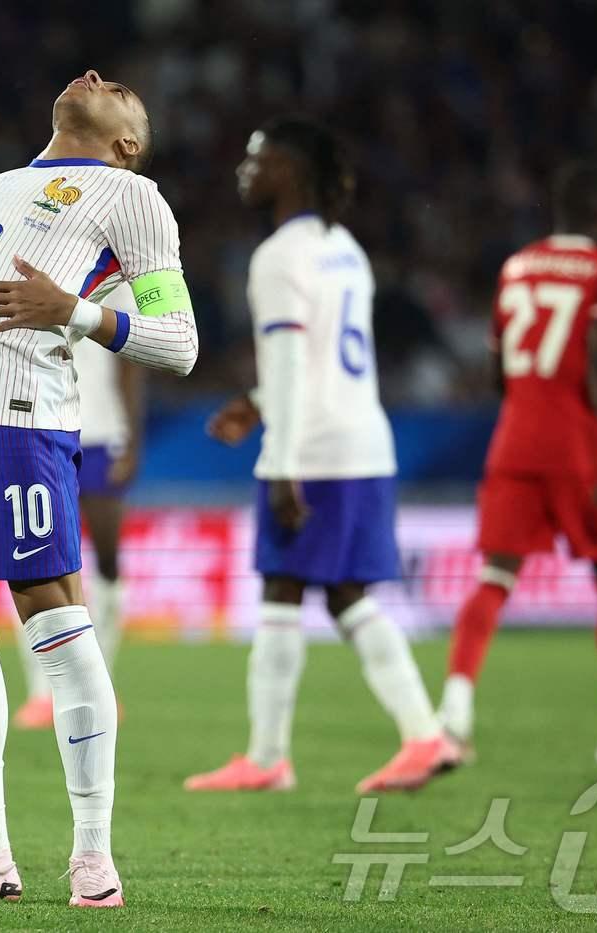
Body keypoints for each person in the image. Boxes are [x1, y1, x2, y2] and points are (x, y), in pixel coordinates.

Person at [0, 69, 198, 908]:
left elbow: (178, 342)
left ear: (128, 140)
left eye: (121, 86)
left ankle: (92, 852)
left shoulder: (134, 199)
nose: (94, 75)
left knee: (53, 608)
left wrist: (77, 311)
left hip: (16, 420)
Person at [184, 117, 459, 795]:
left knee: (328, 592)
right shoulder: (344, 248)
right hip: (359, 438)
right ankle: (271, 754)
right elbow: (314, 363)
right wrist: (255, 400)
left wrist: (281, 462)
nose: (245, 169)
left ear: (292, 171)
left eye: (258, 158)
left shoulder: (279, 256)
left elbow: (288, 363)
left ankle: (418, 736)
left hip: (317, 451)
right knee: (303, 589)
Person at [435, 164, 597, 767]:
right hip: (579, 443)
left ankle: (454, 712)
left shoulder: (516, 266)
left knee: (495, 577)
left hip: (515, 438)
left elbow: (497, 370)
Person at [11, 282, 144, 730]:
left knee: (107, 562)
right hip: (41, 428)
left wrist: (133, 440)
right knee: (33, 559)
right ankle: (41, 693)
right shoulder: (35, 261)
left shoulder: (117, 282)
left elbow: (130, 364)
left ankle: (101, 683)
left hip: (102, 433)